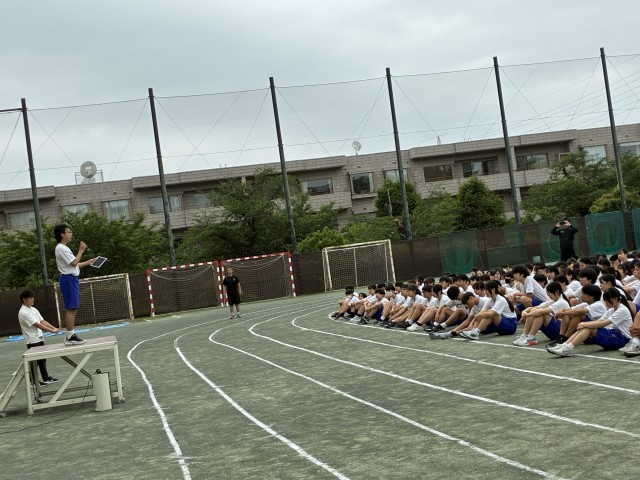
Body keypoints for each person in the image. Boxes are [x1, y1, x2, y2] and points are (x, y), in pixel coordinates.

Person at [53, 223, 96, 345]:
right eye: (69, 232)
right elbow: (74, 263)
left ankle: (70, 335)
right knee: (71, 307)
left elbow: (74, 264)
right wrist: (81, 250)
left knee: (73, 307)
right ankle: (70, 336)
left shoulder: (63, 248)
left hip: (71, 278)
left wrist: (87, 262)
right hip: (68, 279)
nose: (71, 234)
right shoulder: (61, 248)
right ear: (62, 234)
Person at [18, 290, 60, 386]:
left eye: (32, 297)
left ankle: (46, 378)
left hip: (39, 337)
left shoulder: (33, 309)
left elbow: (42, 321)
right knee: (34, 361)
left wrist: (54, 328)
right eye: (30, 298)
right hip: (32, 340)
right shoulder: (23, 312)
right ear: (24, 299)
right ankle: (33, 382)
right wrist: (51, 331)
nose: (32, 299)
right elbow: (37, 324)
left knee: (42, 359)